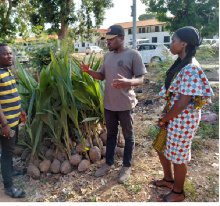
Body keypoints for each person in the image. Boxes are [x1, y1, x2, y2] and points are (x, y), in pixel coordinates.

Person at [151, 26, 213, 202]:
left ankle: (178, 192)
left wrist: (165, 118)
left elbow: (183, 103)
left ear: (184, 44)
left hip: (183, 119)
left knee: (179, 156)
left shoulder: (190, 68)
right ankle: (168, 180)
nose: (171, 44)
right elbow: (175, 96)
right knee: (160, 147)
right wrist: (166, 114)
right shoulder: (181, 63)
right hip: (174, 116)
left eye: (173, 41)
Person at [81, 25, 147, 183]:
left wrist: (128, 82)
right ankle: (108, 163)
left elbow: (141, 78)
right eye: (107, 40)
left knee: (128, 136)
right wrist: (88, 71)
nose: (108, 42)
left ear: (122, 38)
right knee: (111, 134)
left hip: (125, 104)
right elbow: (102, 76)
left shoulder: (133, 55)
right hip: (109, 104)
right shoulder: (107, 56)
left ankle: (126, 166)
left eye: (111, 39)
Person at [0, 43, 27, 198]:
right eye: (5, 54)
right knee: (6, 152)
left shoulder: (6, 71)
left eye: (10, 54)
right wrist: (4, 125)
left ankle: (10, 171)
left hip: (13, 118)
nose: (9, 56)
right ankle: (8, 187)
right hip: (6, 122)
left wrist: (21, 111)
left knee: (10, 149)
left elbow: (12, 95)